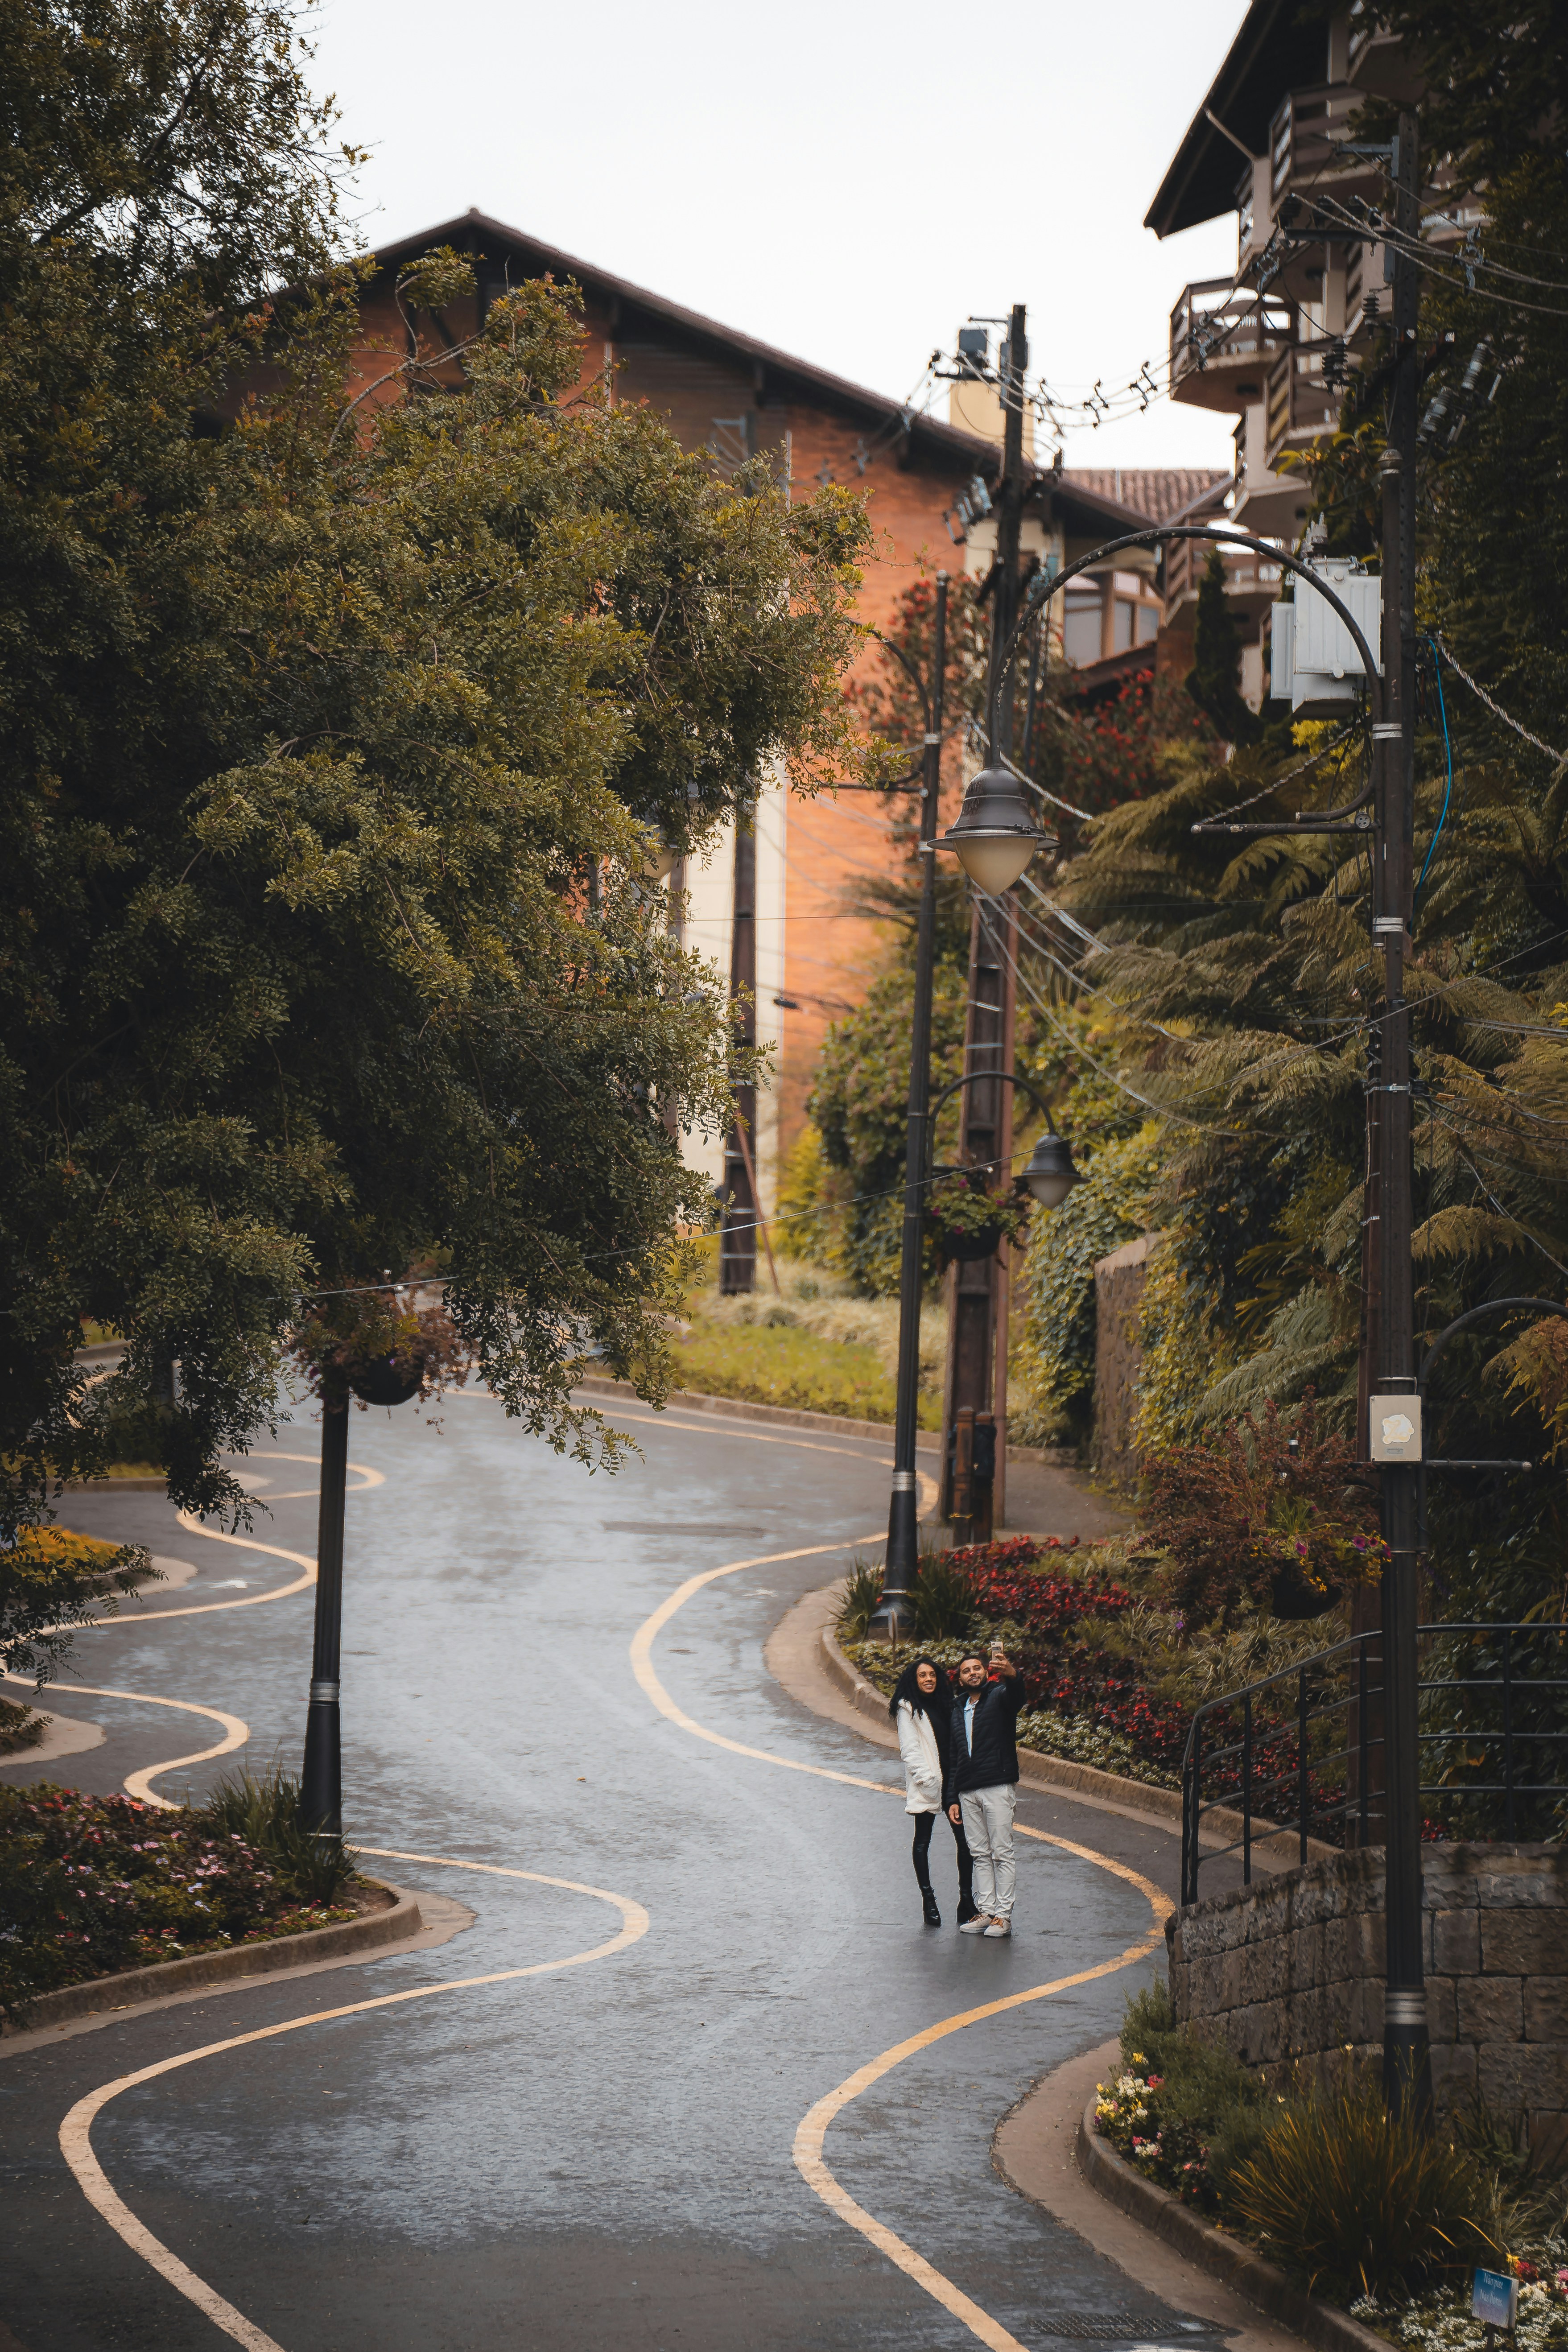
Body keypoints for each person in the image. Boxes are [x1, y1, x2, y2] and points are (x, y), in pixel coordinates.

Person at [944, 1642, 1025, 1939]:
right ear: (961, 1679)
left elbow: (1018, 1697)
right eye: (966, 1671)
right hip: (968, 1791)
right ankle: (987, 1911)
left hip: (997, 1786)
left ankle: (1004, 1916)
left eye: (977, 1668)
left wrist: (1012, 1674)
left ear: (986, 1672)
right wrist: (952, 1798)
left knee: (1002, 1853)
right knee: (979, 1854)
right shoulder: (957, 1709)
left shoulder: (1000, 1696)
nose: (972, 1673)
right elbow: (954, 1757)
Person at [889, 1657, 977, 1929]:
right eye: (922, 1676)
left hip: (953, 1783)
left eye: (932, 1675)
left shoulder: (947, 1704)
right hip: (929, 1783)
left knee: (965, 1842)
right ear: (914, 1680)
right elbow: (910, 1750)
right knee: (923, 1841)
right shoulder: (908, 1708)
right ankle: (929, 1901)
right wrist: (927, 1781)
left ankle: (966, 1901)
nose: (929, 1679)